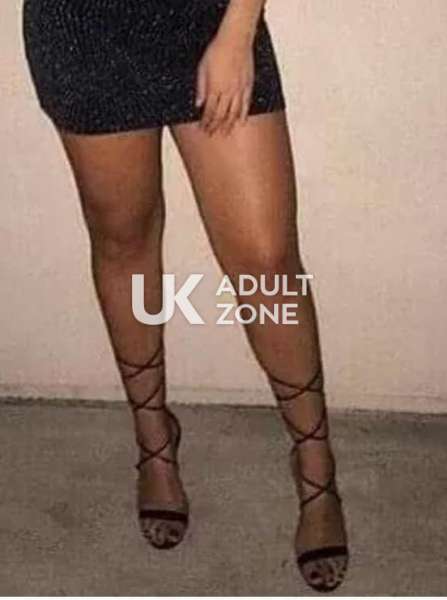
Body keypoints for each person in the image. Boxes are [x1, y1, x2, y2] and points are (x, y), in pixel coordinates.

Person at [22, 0, 349, 592]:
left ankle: (315, 465)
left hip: (209, 18)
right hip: (84, 28)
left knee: (267, 261)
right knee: (123, 240)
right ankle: (154, 441)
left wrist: (239, 29)